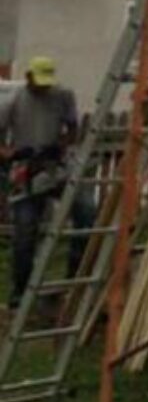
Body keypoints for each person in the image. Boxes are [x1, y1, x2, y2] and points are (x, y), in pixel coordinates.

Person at [2, 56, 93, 307]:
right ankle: (21, 291)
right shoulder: (13, 100)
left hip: (56, 167)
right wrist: (11, 153)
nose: (43, 88)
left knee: (86, 211)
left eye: (46, 83)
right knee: (25, 231)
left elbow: (72, 129)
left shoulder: (63, 96)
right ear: (28, 77)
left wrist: (60, 146)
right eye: (38, 83)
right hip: (27, 170)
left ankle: (73, 280)